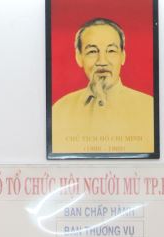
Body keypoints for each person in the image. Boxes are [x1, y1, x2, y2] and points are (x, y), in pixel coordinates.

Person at [50, 17, 155, 155]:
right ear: (79, 57)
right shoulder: (60, 110)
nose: (102, 61)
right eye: (92, 52)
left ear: (123, 56)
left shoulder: (149, 107)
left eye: (111, 51)